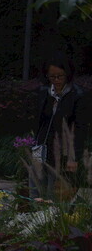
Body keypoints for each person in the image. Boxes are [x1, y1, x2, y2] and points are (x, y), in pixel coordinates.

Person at [31, 54, 87, 199]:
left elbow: (80, 129)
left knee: (52, 195)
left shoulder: (77, 95)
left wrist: (73, 157)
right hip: (40, 147)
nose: (56, 80)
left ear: (67, 75)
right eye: (52, 77)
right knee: (35, 192)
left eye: (60, 76)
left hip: (60, 152)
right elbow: (38, 120)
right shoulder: (44, 92)